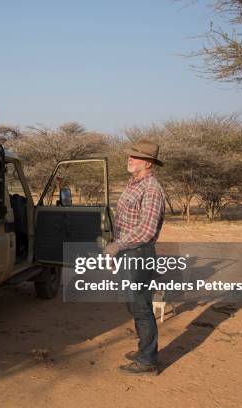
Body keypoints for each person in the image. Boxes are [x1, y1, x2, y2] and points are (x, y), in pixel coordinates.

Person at [104, 139, 166, 376]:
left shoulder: (151, 188)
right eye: (131, 155)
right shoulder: (134, 184)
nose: (129, 159)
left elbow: (146, 230)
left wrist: (116, 246)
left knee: (141, 307)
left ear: (149, 163)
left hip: (138, 253)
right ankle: (145, 350)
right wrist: (117, 248)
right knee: (133, 303)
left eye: (135, 157)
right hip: (127, 252)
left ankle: (147, 360)